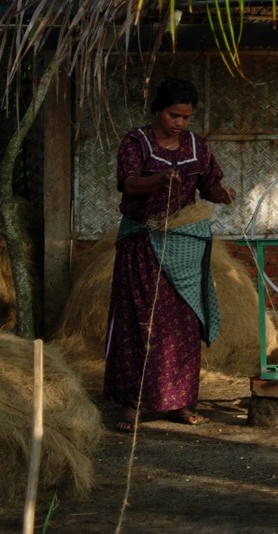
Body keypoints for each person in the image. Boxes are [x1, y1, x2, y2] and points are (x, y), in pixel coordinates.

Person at [103, 78, 236, 432]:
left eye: (186, 117)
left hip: (184, 244)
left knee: (182, 323)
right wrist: (160, 180)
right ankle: (133, 405)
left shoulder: (198, 146)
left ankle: (179, 402)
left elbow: (208, 185)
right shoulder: (137, 142)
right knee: (141, 322)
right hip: (143, 244)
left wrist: (221, 194)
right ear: (157, 111)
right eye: (173, 115)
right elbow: (129, 184)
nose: (180, 123)